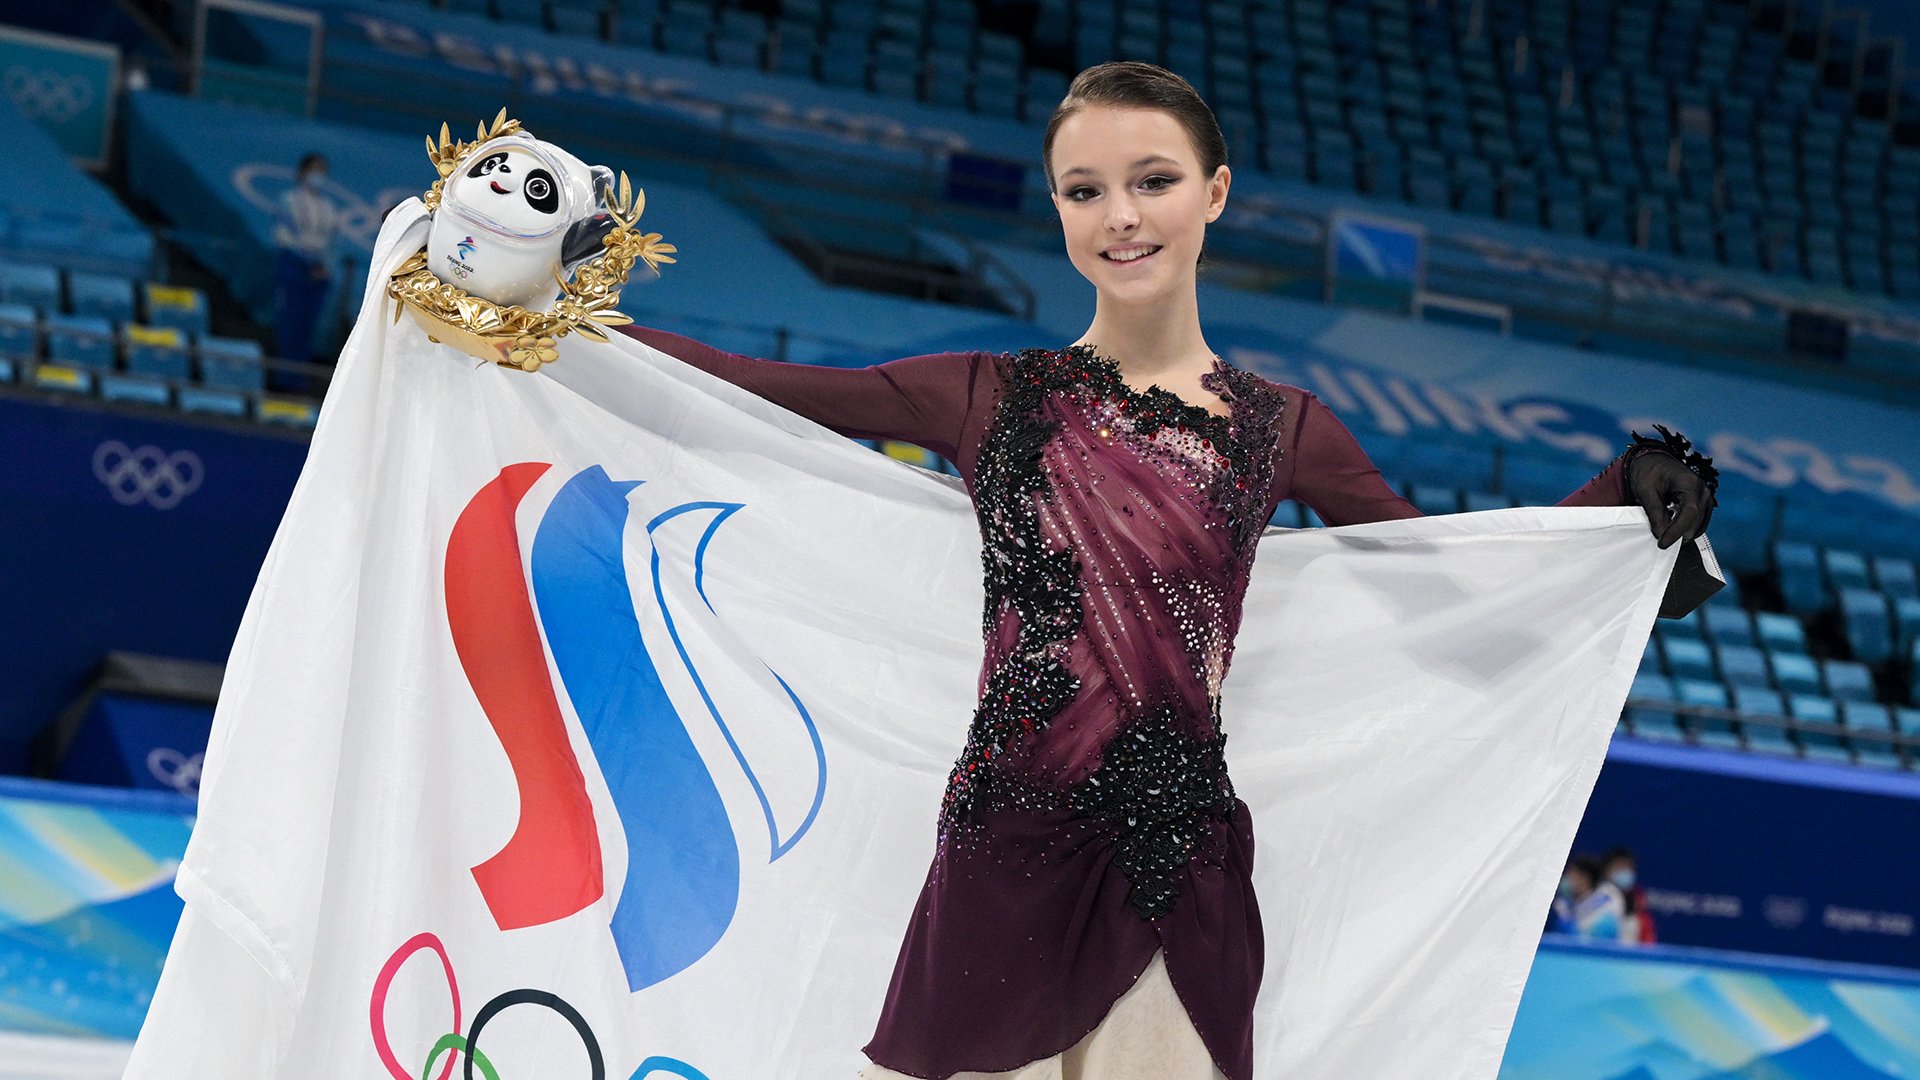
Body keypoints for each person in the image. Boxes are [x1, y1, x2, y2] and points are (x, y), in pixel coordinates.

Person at [616, 61, 1716, 1080]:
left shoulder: (1286, 430)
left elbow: (1452, 589)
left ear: (1215, 192)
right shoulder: (980, 391)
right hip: (1002, 856)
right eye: (1083, 191)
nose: (1121, 216)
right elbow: (741, 385)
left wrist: (1617, 510)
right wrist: (541, 322)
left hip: (1175, 874)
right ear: (1056, 209)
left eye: (1152, 181)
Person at [270, 152, 339, 394]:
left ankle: (298, 381)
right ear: (302, 172)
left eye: (322, 170)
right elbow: (282, 236)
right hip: (294, 266)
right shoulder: (288, 200)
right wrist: (306, 259)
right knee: (290, 323)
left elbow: (332, 244)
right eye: (314, 169)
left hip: (318, 273)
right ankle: (283, 380)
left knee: (308, 328)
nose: (318, 175)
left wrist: (324, 266)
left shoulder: (329, 208)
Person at [1552, 853, 1627, 941]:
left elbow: (1596, 940)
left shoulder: (1608, 900)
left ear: (1584, 878)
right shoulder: (1565, 904)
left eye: (1571, 874)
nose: (1567, 879)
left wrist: (1572, 930)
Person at [1604, 845, 1657, 945]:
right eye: (1619, 866)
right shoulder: (1594, 898)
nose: (1624, 871)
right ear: (1606, 870)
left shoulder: (1640, 907)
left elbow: (1648, 944)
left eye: (1627, 867)